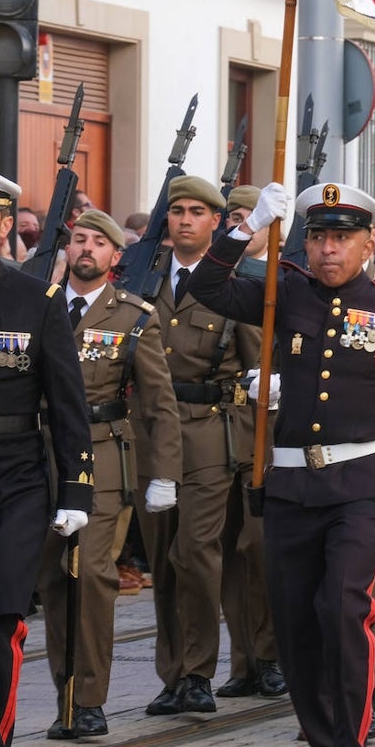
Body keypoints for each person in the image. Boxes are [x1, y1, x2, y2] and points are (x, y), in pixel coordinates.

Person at [188, 180, 375, 747]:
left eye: (342, 237)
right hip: (288, 484)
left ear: (371, 242)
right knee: (296, 626)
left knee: (342, 607)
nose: (328, 250)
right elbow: (203, 287)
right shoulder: (286, 289)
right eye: (319, 236)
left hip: (362, 483)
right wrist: (244, 228)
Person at [0, 166, 94, 747]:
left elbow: (66, 402)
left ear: (6, 226)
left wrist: (77, 489)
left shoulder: (35, 300)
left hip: (10, 488)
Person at [38, 208, 182, 739]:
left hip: (100, 455)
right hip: (40, 454)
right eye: (79, 240)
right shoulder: (42, 305)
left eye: (99, 243)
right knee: (53, 578)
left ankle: (90, 700)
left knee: (92, 575)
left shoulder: (133, 316)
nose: (87, 250)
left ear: (115, 258)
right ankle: (65, 694)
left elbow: (159, 403)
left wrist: (163, 472)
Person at [132, 176, 262, 716]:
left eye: (197, 212)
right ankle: (173, 673)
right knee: (162, 559)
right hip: (149, 435)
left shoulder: (234, 284)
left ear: (217, 222)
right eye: (177, 211)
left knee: (196, 553)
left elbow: (259, 370)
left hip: (211, 431)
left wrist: (259, 449)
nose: (184, 219)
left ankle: (200, 672)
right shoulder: (142, 280)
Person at [211, 184, 287, 701]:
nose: (247, 224)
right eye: (237, 217)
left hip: (269, 429)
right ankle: (242, 660)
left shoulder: (287, 279)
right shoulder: (217, 280)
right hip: (218, 434)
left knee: (261, 548)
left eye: (254, 216)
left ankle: (272, 654)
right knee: (228, 555)